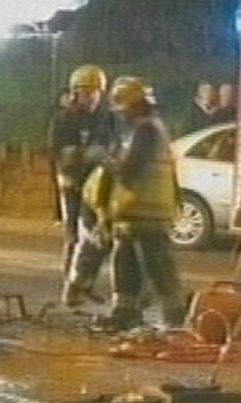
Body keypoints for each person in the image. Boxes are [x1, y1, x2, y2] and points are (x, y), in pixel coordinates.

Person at [91, 76, 186, 332]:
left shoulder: (145, 129)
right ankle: (124, 313)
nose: (120, 114)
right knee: (125, 262)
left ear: (131, 106)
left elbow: (128, 171)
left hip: (147, 213)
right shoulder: (145, 128)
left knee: (157, 266)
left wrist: (104, 159)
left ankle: (175, 319)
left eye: (121, 108)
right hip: (135, 214)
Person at [48, 65, 117, 302]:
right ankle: (71, 283)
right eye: (85, 93)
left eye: (94, 92)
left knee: (97, 236)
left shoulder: (106, 118)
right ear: (75, 93)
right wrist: (85, 154)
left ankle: (86, 283)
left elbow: (113, 146)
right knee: (74, 236)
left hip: (97, 186)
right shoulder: (64, 119)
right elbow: (58, 151)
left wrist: (107, 156)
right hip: (73, 185)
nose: (90, 98)